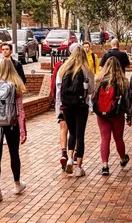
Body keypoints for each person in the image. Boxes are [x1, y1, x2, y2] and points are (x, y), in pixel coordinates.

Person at [0, 58, 27, 202]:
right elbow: (20, 110)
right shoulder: (16, 85)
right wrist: (23, 131)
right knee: (14, 154)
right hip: (11, 123)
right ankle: (16, 184)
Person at [58, 44, 95, 177]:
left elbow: (58, 89)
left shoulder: (64, 69)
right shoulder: (86, 70)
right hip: (81, 105)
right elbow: (91, 90)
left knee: (72, 133)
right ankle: (79, 166)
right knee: (80, 135)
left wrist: (59, 107)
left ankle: (69, 158)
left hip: (67, 106)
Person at [94, 57, 132, 176]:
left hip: (102, 113)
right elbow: (127, 100)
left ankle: (105, 165)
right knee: (118, 138)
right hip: (117, 113)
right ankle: (122, 159)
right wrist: (129, 115)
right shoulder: (123, 81)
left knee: (105, 139)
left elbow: (93, 97)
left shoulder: (99, 80)